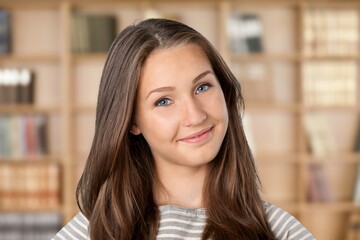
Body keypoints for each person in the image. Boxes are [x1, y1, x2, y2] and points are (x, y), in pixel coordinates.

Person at [52, 18, 315, 240]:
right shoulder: (94, 231)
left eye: (203, 87)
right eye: (163, 101)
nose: (195, 115)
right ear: (131, 121)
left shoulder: (280, 231)